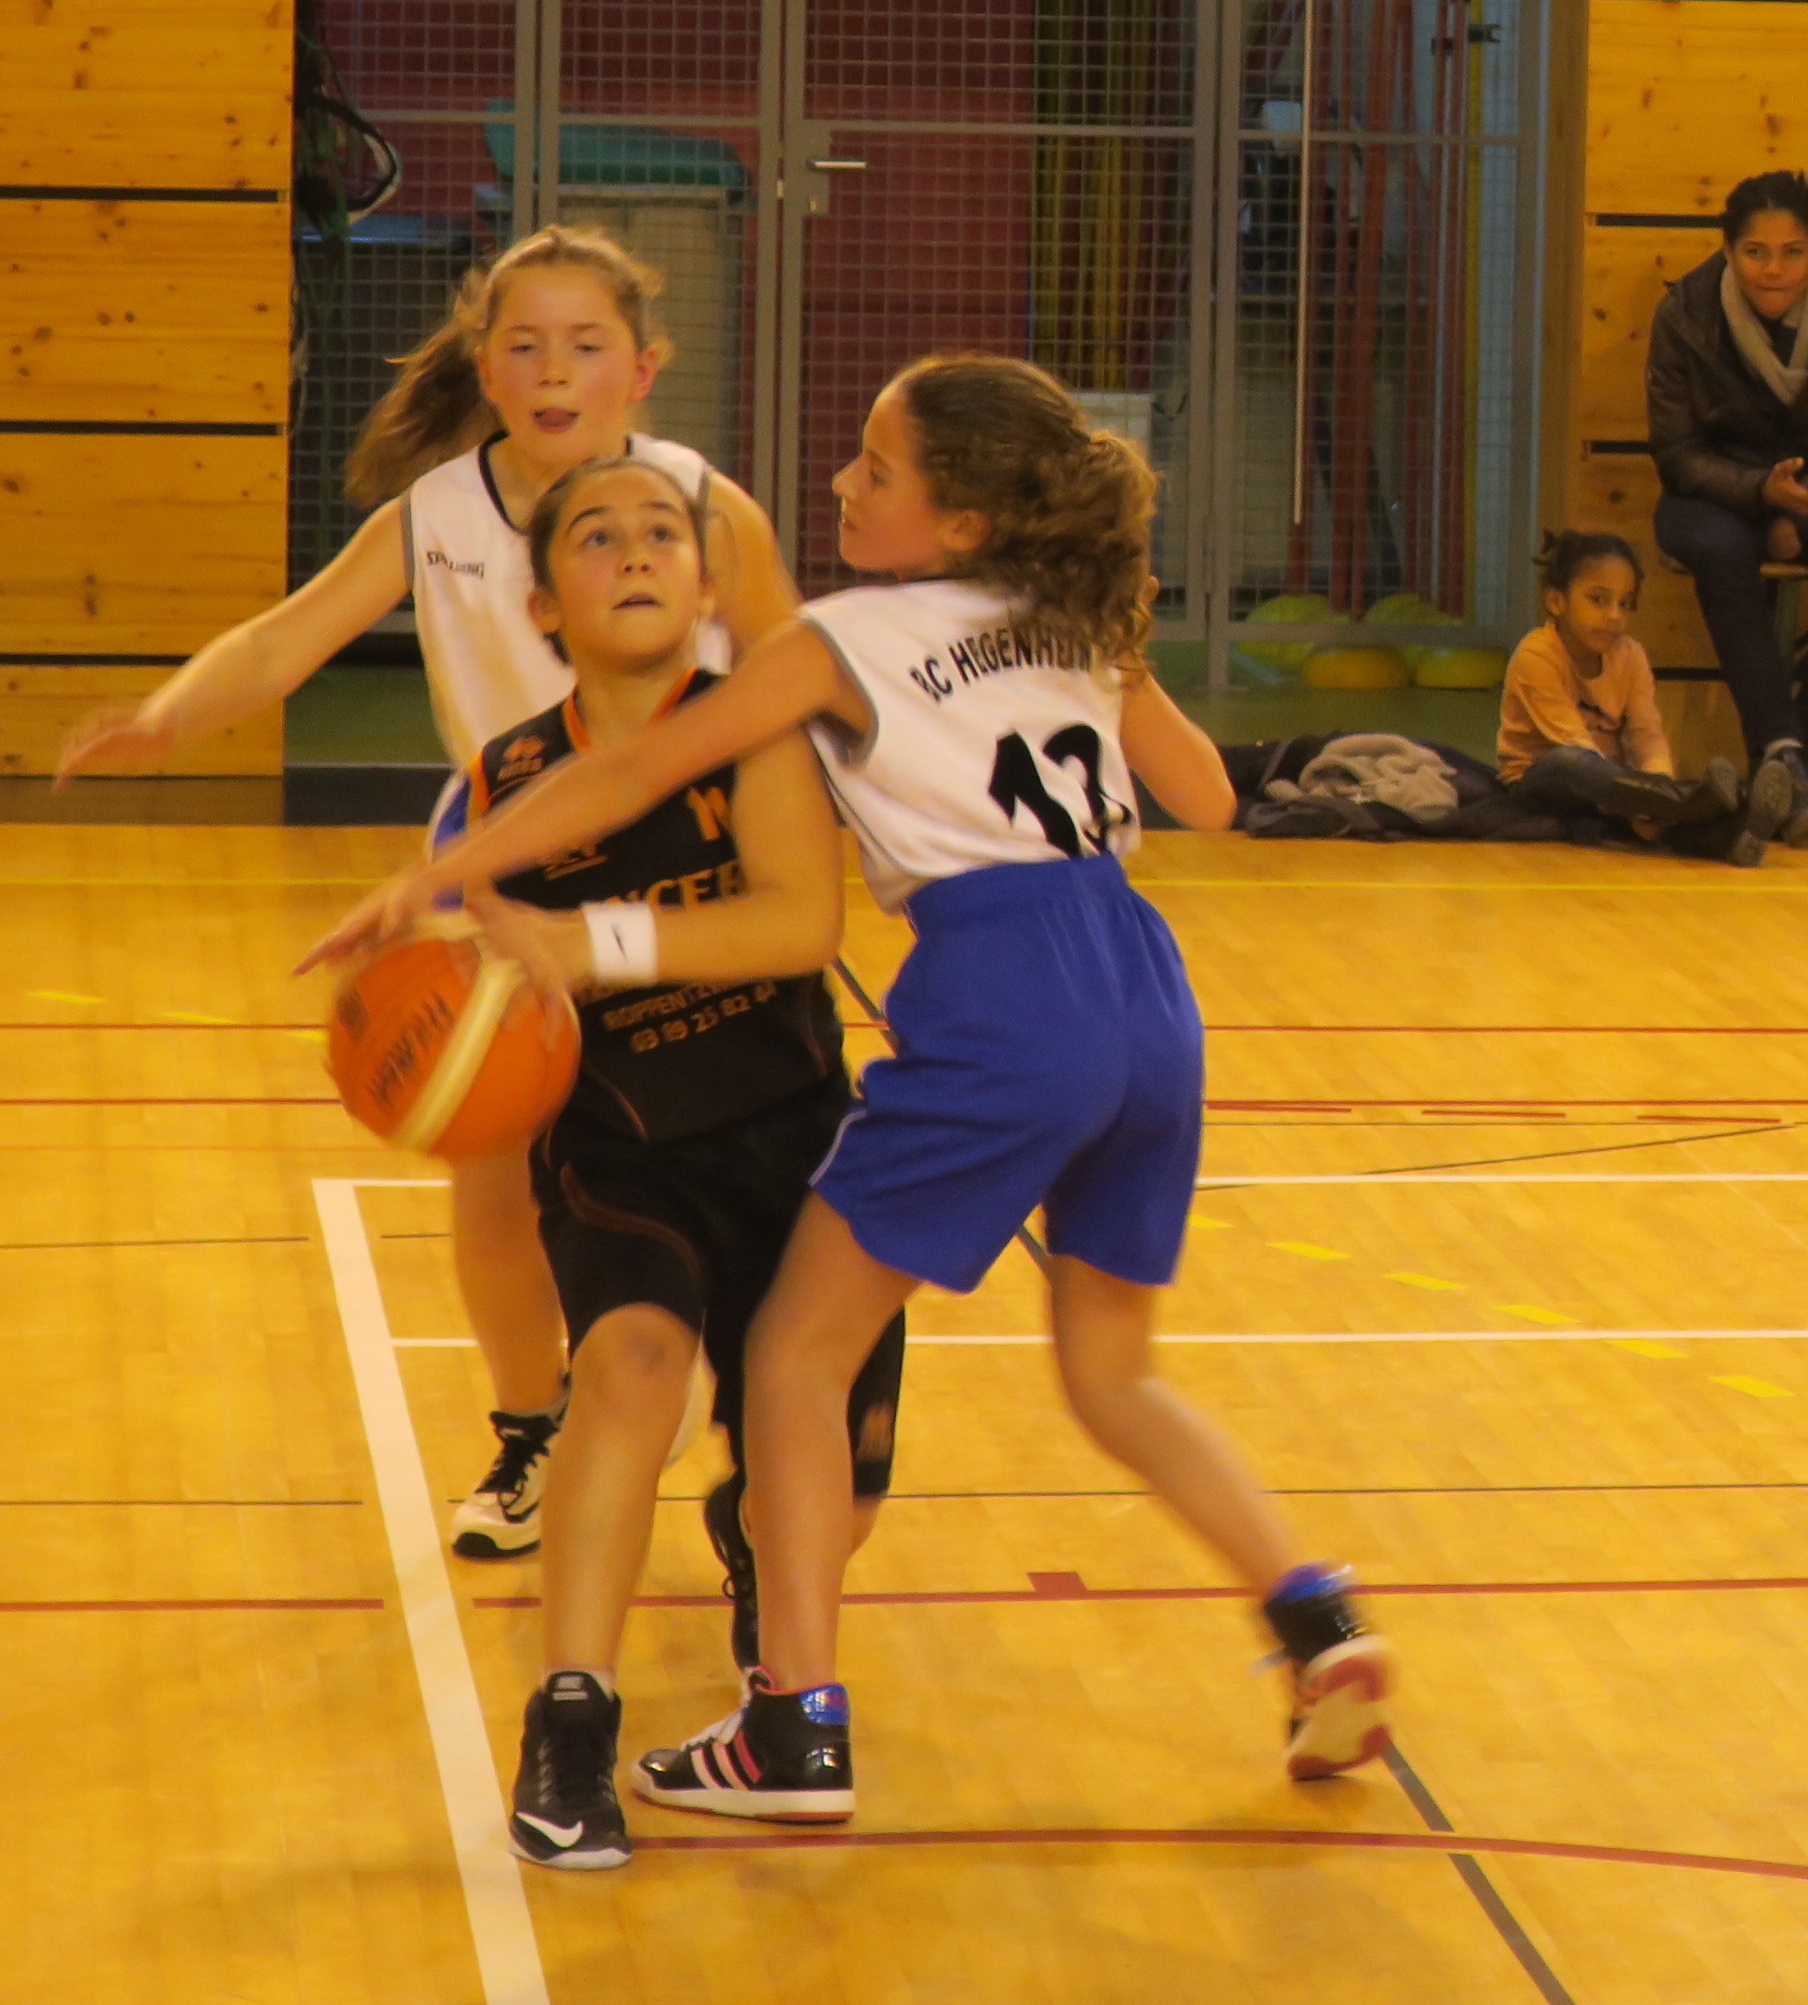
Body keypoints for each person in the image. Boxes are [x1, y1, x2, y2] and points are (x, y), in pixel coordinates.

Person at [312, 354, 1397, 1822]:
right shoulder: (1071, 620)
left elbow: (632, 774)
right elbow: (1203, 797)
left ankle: (791, 1726)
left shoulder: (836, 641)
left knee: (793, 1355)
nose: (840, 483)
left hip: (1005, 993)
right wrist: (1111, 662)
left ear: (959, 519)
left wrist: (433, 876)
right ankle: (1316, 1619)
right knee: (1113, 1372)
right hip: (1147, 992)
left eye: (875, 469)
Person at [55, 225, 799, 1563]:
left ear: (644, 368)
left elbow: (794, 668)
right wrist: (169, 715)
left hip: (683, 861)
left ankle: (714, 1391)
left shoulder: (700, 504)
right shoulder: (437, 516)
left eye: (585, 345)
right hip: (503, 861)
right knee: (492, 1166)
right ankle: (535, 1427)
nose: (554, 370)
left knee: (697, 1142)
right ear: (485, 367)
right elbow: (285, 637)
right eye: (526, 346)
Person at [463, 455, 900, 1871]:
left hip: (793, 1134)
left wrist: (589, 948)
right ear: (543, 603)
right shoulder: (507, 779)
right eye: (597, 538)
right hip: (622, 1141)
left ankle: (761, 1570)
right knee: (630, 1368)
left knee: (837, 1479)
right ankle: (569, 1719)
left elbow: (796, 925)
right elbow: (483, 979)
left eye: (664, 532)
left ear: (708, 585)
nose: (637, 552)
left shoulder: (756, 731)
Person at [1645, 170, 1808, 840]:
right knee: (1718, 549)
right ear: (1728, 250)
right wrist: (1761, 494)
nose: (1774, 269)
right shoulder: (1684, 314)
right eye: (1756, 252)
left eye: (1792, 252)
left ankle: (1807, 756)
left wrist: (1803, 510)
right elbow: (1677, 452)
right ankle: (1781, 747)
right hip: (1718, 494)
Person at [1488, 530, 1761, 863]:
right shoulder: (1537, 655)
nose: (1615, 615)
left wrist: (1656, 784)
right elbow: (1575, 746)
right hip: (1541, 783)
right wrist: (1638, 803)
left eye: (1625, 603)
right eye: (1598, 599)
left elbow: (1647, 734)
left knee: (1655, 824)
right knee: (1570, 762)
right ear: (1557, 602)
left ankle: (1734, 832)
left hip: (1618, 788)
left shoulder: (1631, 655)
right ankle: (1716, 802)